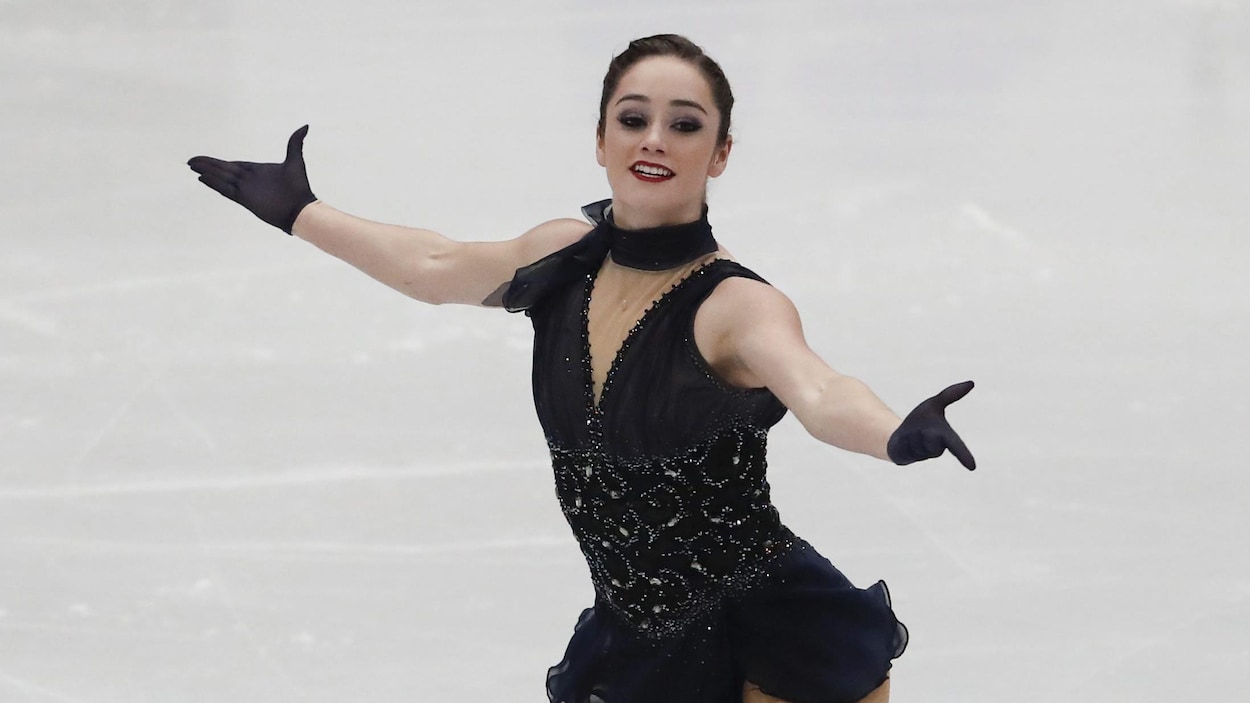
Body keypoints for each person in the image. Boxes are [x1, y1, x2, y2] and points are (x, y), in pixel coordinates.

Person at [188, 33, 974, 703]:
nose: (654, 139)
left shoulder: (732, 305)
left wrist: (893, 433)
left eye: (685, 123)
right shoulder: (564, 258)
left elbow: (819, 387)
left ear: (721, 152)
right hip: (633, 635)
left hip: (768, 628)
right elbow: (437, 264)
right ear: (600, 140)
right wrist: (302, 212)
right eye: (633, 119)